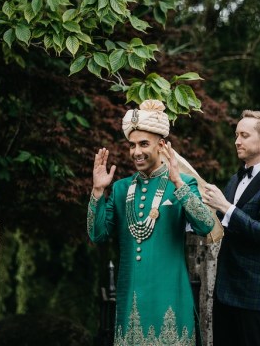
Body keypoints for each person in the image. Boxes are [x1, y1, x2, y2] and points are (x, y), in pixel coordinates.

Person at [88, 99, 215, 345]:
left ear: (161, 145)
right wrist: (96, 192)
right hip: (130, 298)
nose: (136, 151)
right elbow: (97, 235)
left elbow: (205, 226)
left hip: (170, 294)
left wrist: (178, 183)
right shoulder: (121, 188)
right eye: (132, 145)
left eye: (144, 144)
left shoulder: (183, 184)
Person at [202, 109, 260, 346]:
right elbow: (226, 225)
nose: (237, 141)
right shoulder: (235, 179)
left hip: (255, 294)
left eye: (244, 135)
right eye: (236, 135)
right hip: (225, 291)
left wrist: (225, 206)